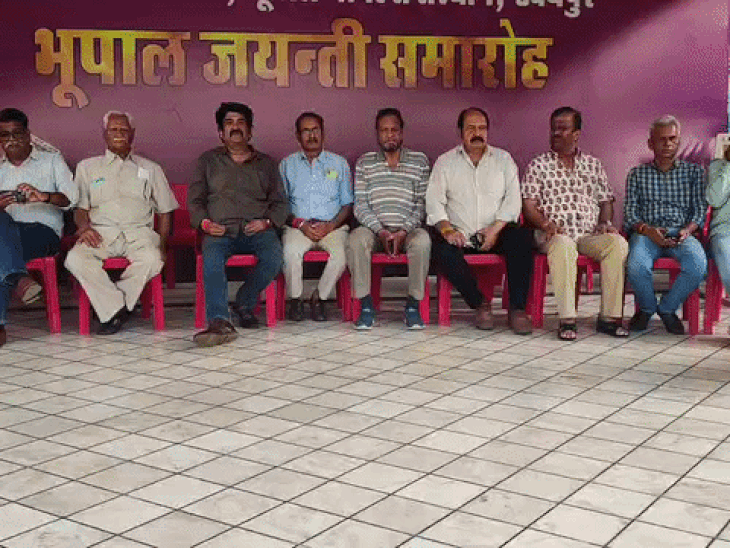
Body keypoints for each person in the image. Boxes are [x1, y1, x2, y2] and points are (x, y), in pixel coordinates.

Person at [65, 111, 178, 335]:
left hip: (140, 233)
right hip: (101, 233)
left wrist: (163, 246)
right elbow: (80, 209)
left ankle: (110, 309)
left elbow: (165, 210)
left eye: (124, 130)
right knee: (75, 259)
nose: (118, 134)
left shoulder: (151, 169)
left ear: (132, 134)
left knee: (153, 259)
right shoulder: (87, 168)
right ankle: (119, 307)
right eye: (113, 130)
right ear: (104, 134)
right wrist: (84, 228)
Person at [522, 107, 629, 340]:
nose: (556, 133)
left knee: (617, 244)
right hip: (554, 235)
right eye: (553, 129)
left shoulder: (593, 164)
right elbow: (528, 205)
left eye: (562, 129)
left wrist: (605, 222)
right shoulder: (538, 165)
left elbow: (606, 201)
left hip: (588, 234)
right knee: (564, 245)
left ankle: (609, 318)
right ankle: (567, 319)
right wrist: (545, 224)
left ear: (576, 134)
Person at [189, 102, 288, 346]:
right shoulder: (208, 161)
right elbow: (195, 201)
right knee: (211, 260)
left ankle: (245, 299)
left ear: (250, 131)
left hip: (256, 230)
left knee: (275, 257)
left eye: (241, 123)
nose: (235, 127)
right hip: (220, 231)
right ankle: (219, 321)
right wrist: (204, 224)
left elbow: (280, 203)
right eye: (229, 123)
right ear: (220, 132)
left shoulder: (266, 163)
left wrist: (267, 222)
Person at [427, 107, 533, 334]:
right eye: (471, 128)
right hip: (459, 235)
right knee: (438, 248)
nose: (477, 133)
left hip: (497, 233)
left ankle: (517, 309)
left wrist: (495, 230)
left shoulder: (503, 160)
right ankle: (480, 303)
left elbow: (513, 201)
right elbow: (434, 203)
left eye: (482, 128)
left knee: (523, 238)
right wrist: (447, 231)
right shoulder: (445, 162)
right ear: (460, 132)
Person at [346, 108, 431, 330]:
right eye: (384, 130)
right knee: (356, 239)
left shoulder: (419, 161)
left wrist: (404, 231)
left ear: (402, 132)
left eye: (394, 130)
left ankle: (413, 306)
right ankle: (366, 306)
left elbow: (422, 204)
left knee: (423, 241)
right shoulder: (365, 163)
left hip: (409, 230)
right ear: (377, 133)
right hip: (374, 230)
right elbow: (360, 206)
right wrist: (381, 231)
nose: (389, 135)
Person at [0, 108, 77, 347]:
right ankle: (20, 278)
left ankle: (1, 324)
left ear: (28, 134)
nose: (11, 140)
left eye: (16, 133)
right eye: (5, 135)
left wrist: (44, 196)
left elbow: (72, 199)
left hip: (42, 234)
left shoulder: (51, 160)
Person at [624, 115, 707, 335]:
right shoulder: (637, 174)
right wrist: (648, 231)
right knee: (636, 265)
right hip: (647, 233)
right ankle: (647, 309)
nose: (668, 144)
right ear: (651, 143)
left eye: (672, 139)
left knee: (698, 264)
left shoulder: (694, 173)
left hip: (681, 233)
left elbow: (700, 210)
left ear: (679, 141)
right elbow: (630, 215)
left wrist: (687, 230)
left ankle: (668, 308)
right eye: (662, 139)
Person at [279, 112, 353, 321]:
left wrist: (331, 225)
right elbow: (280, 205)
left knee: (342, 255)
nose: (311, 135)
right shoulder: (287, 165)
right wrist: (300, 224)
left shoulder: (339, 164)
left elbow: (347, 204)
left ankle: (319, 298)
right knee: (290, 252)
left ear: (323, 133)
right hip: (299, 227)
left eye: (315, 130)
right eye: (306, 131)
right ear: (297, 136)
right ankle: (295, 300)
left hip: (332, 227)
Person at [707, 144, 730, 307]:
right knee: (724, 249)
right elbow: (714, 200)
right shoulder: (718, 167)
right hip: (724, 231)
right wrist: (728, 167)